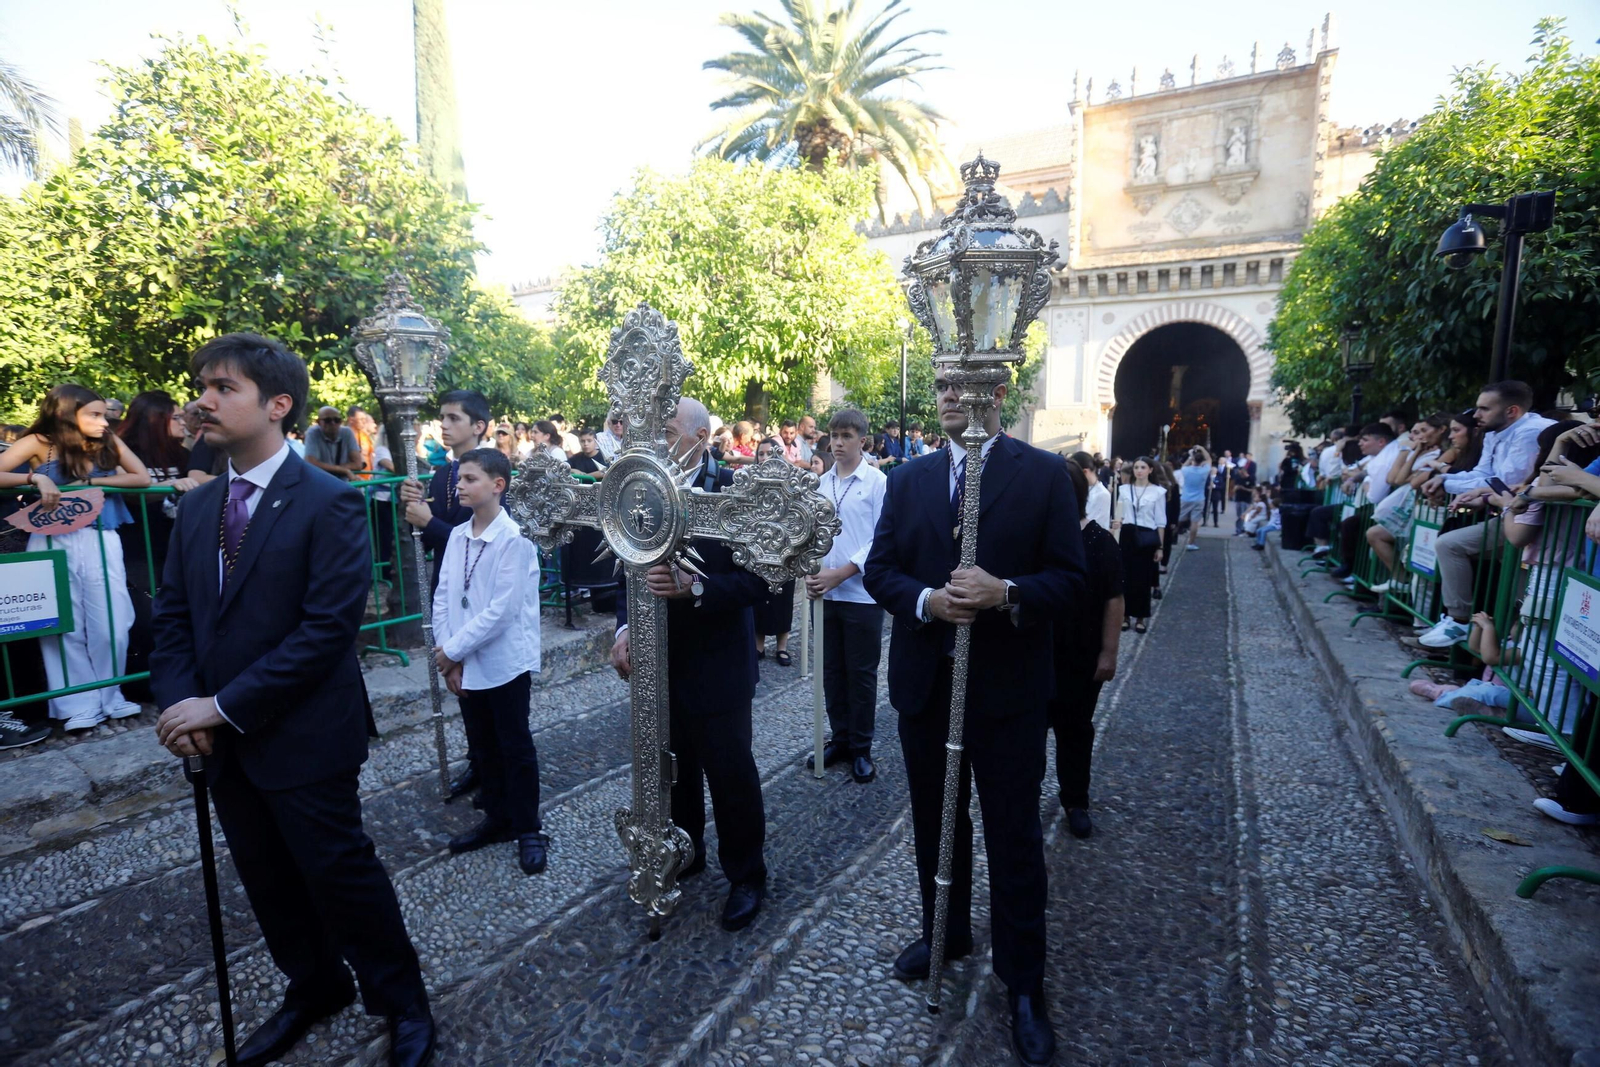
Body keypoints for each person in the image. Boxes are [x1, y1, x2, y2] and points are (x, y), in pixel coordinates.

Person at [150, 333, 434, 1066]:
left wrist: (221, 704)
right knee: (266, 874)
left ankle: (400, 999)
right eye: (201, 385)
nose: (202, 400)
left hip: (305, 730)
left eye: (222, 388)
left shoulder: (328, 500)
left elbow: (325, 631)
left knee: (338, 872)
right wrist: (182, 703)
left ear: (278, 406)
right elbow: (174, 616)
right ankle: (313, 985)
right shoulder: (200, 504)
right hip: (222, 741)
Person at [863, 371, 1086, 1067]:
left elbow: (1071, 578)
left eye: (967, 383)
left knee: (1013, 836)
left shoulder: (1045, 474)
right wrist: (928, 599)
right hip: (928, 686)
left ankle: (1023, 981)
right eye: (942, 384)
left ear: (997, 388)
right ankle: (946, 930)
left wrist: (1006, 590)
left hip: (1008, 693)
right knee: (935, 821)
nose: (952, 395)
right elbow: (881, 569)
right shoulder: (909, 479)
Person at [609, 397, 770, 932]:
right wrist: (625, 628)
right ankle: (687, 847)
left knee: (730, 775)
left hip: (717, 664)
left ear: (700, 438)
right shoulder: (640, 485)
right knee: (672, 773)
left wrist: (697, 587)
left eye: (668, 429)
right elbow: (623, 564)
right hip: (657, 664)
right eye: (651, 427)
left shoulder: (734, 493)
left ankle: (747, 874)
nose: (655, 438)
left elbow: (762, 582)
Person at [0, 385, 152, 729]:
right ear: (66, 414)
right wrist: (34, 476)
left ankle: (110, 695)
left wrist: (89, 484)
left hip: (101, 537)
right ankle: (76, 705)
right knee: (63, 626)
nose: (104, 421)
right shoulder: (41, 441)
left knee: (114, 622)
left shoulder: (107, 440)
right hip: (51, 540)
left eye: (103, 413)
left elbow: (141, 476)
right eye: (94, 414)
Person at [433, 448, 550, 876]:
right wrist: (449, 656)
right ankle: (498, 818)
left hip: (503, 662)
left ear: (498, 485)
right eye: (459, 479)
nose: (459, 485)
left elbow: (502, 611)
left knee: (514, 746)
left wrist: (453, 651)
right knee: (483, 745)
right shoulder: (458, 537)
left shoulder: (514, 539)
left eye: (469, 479)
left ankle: (528, 828)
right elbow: (444, 596)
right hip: (464, 661)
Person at [399, 389, 494, 802]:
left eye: (454, 418)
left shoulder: (493, 471)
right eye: (442, 417)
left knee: (490, 690)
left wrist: (428, 522)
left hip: (482, 595)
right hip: (450, 591)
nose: (444, 424)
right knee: (462, 686)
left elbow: (476, 540)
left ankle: (499, 770)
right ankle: (479, 761)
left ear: (478, 426)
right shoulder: (441, 474)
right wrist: (414, 514)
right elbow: (431, 539)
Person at [1417, 382, 1555, 648]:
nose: (1475, 415)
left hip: (1532, 518)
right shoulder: (1494, 432)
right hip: (1513, 515)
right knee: (1517, 584)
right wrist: (1443, 479)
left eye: (1483, 409)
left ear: (1512, 411)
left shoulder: (1530, 432)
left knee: (1450, 544)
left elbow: (1503, 482)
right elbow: (1484, 477)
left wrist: (1447, 483)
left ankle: (1459, 621)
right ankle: (1499, 644)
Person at [805, 409, 888, 783]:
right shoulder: (821, 484)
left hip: (861, 594)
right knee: (832, 670)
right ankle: (839, 738)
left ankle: (862, 747)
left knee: (861, 673)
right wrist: (809, 566)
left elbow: (880, 539)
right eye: (834, 436)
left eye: (846, 436)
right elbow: (810, 534)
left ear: (863, 441)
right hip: (825, 592)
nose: (837, 443)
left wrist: (842, 573)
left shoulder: (877, 483)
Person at [1049, 458, 1122, 838]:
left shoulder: (1099, 542)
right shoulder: (1035, 538)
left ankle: (1075, 800)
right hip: (1036, 654)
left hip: (1080, 655)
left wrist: (1109, 653)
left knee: (1075, 730)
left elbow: (1114, 599)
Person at [115, 390, 192, 700]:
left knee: (179, 615)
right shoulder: (126, 449)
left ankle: (178, 679)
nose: (183, 421)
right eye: (176, 416)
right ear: (155, 419)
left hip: (175, 548)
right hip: (136, 549)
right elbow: (130, 489)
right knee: (146, 618)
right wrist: (170, 486)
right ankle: (141, 686)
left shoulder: (183, 455)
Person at [752, 437, 796, 666]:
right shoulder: (751, 482)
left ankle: (782, 646)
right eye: (761, 453)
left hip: (785, 548)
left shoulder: (790, 483)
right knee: (758, 594)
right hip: (759, 547)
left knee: (784, 597)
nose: (765, 457)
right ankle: (758, 644)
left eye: (770, 453)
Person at [1113, 456, 1163, 634]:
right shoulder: (1124, 489)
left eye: (1143, 467)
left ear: (1150, 470)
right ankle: (1125, 616)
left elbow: (1160, 521)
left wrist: (1160, 546)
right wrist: (1117, 523)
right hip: (1127, 535)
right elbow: (1120, 512)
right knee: (1125, 577)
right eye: (1136, 467)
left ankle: (1140, 617)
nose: (1139, 470)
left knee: (1143, 579)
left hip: (1147, 537)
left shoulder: (1158, 492)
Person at [1176, 446, 1213, 552]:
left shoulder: (1186, 470)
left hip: (1186, 497)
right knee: (1194, 522)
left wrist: (1191, 456)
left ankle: (1170, 536)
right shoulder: (1204, 471)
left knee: (1178, 519)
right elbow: (1209, 459)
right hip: (1199, 498)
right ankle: (1191, 543)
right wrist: (1202, 448)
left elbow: (1184, 465)